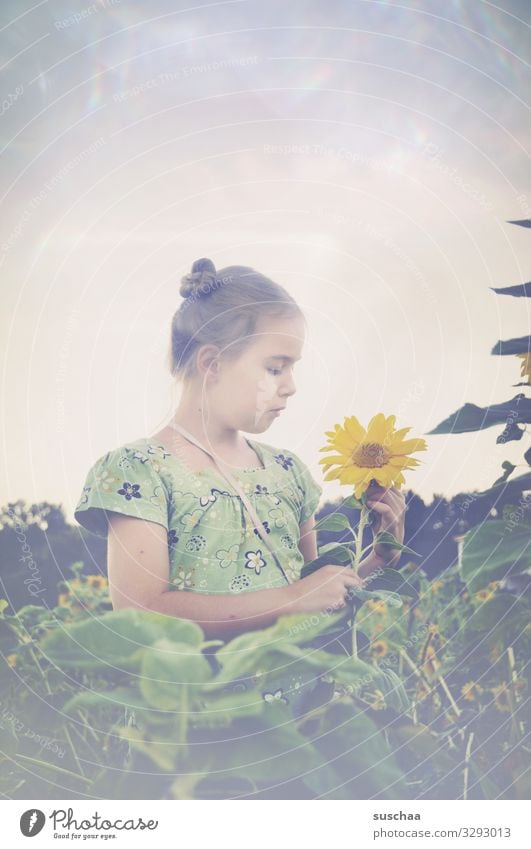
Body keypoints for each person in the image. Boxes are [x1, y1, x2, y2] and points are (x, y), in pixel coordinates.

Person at [74, 257, 402, 719]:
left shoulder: (287, 472)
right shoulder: (139, 470)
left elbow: (315, 605)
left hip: (295, 720)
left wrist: (379, 559)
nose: (291, 386)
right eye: (274, 367)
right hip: (192, 725)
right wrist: (294, 599)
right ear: (212, 363)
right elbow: (141, 614)